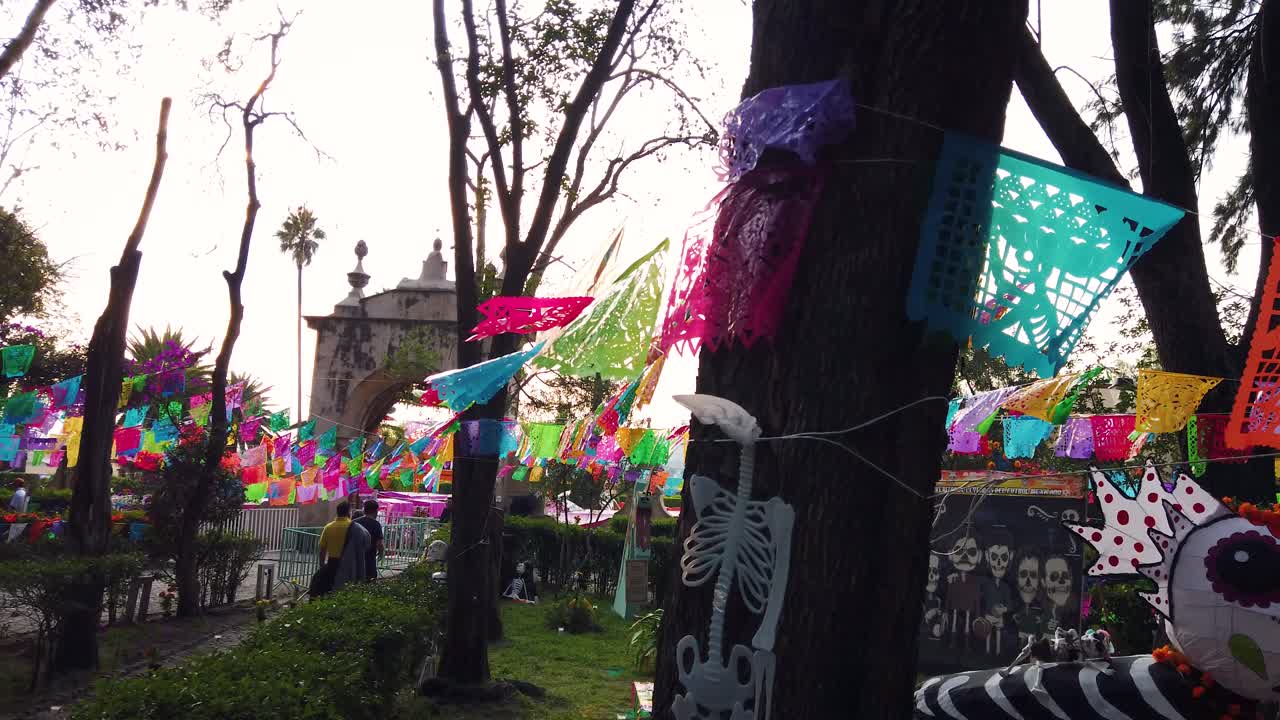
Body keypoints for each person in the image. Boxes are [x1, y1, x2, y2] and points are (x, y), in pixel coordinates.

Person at [310, 501, 368, 598]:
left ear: (337, 512)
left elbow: (322, 550)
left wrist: (322, 566)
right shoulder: (356, 528)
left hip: (332, 564)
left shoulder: (328, 527)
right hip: (350, 565)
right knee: (345, 592)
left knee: (326, 589)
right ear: (349, 512)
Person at [353, 499, 384, 581]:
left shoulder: (354, 522)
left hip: (355, 556)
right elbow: (379, 543)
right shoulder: (376, 524)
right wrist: (381, 553)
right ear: (376, 511)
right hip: (370, 557)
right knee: (369, 579)